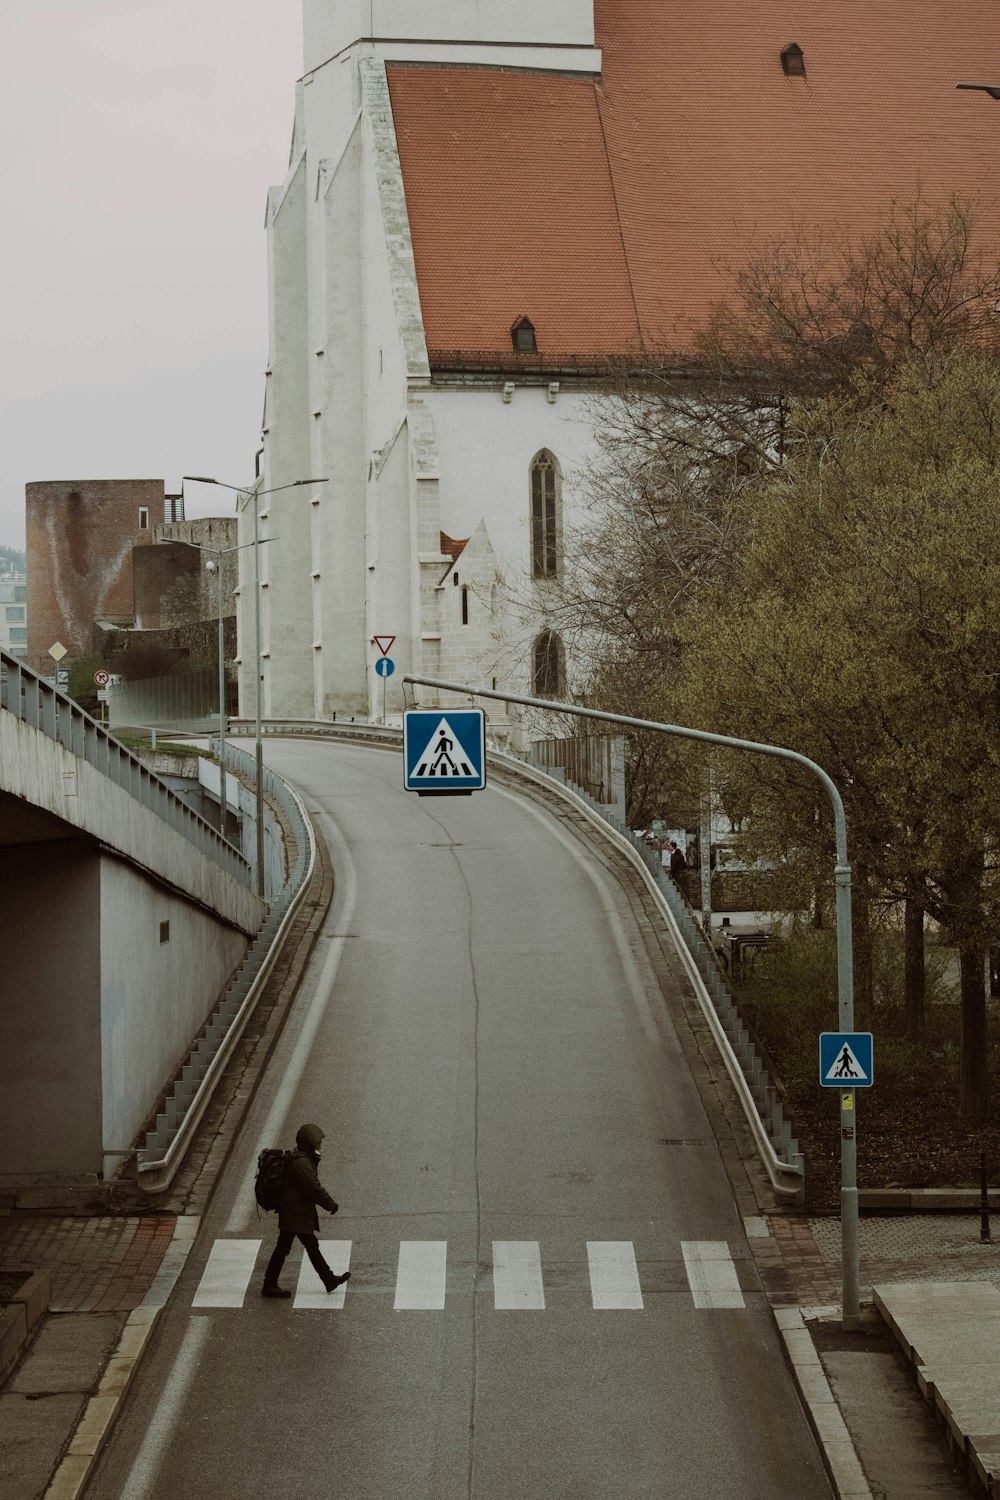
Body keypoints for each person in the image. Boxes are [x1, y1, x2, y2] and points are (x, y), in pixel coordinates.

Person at [261, 1122, 351, 1298]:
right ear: (309, 1143)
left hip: (295, 1211)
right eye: (317, 1143)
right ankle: (270, 1284)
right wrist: (330, 1204)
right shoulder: (302, 1163)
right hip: (294, 1213)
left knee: (297, 1246)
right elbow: (313, 1187)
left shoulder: (302, 1158)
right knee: (302, 1246)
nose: (319, 1146)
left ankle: (327, 1279)